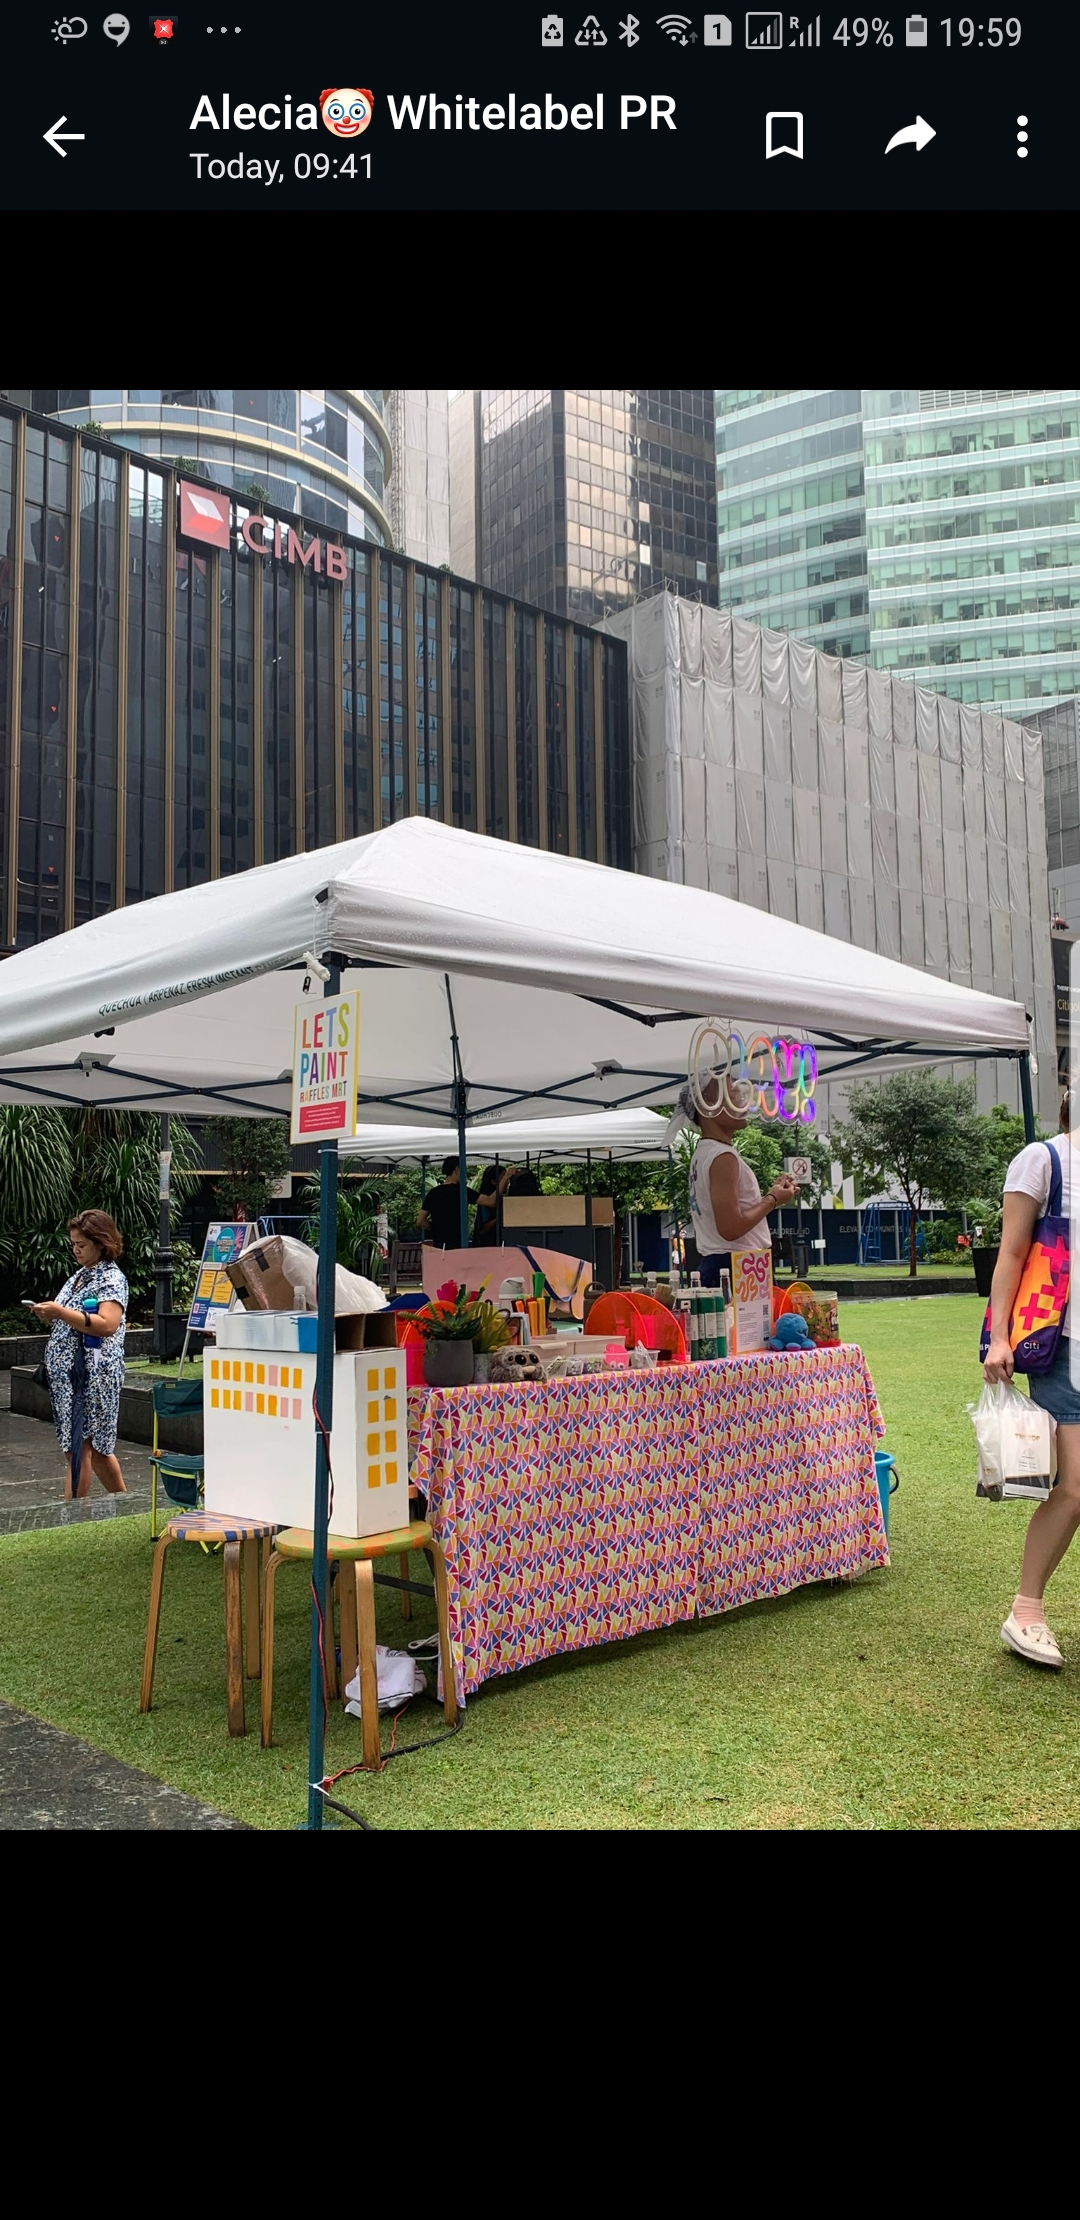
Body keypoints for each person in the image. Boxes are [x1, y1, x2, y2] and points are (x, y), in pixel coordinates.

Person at [983, 1084, 1080, 1668]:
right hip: (1065, 1348)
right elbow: (1012, 1254)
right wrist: (999, 1337)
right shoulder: (1044, 1161)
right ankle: (1025, 1612)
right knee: (1074, 1490)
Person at [29, 1209, 129, 1500]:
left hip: (90, 1375)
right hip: (68, 1376)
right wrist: (51, 1314)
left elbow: (107, 1324)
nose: (75, 1250)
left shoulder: (110, 1277)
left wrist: (60, 1312)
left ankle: (71, 1514)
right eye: (73, 1244)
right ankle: (123, 1502)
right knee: (93, 1449)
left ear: (101, 1243)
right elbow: (72, 1317)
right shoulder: (81, 1276)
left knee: (80, 1447)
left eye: (81, 1244)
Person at [674, 1080, 798, 1288]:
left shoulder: (704, 1153)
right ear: (707, 1105)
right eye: (732, 1095)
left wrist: (772, 1196)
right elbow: (730, 1228)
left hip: (728, 1264)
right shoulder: (722, 1156)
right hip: (738, 1267)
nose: (742, 1101)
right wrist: (773, 1199)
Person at [417, 1157, 476, 1249]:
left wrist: (435, 1226)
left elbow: (420, 1221)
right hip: (458, 1245)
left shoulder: (433, 1193)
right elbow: (489, 1201)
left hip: (439, 1245)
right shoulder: (462, 1191)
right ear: (457, 1169)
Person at [471, 1163, 515, 1246]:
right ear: (494, 1181)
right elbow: (483, 1228)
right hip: (486, 1244)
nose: (507, 1182)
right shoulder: (485, 1201)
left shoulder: (502, 1199)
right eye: (503, 1179)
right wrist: (501, 1218)